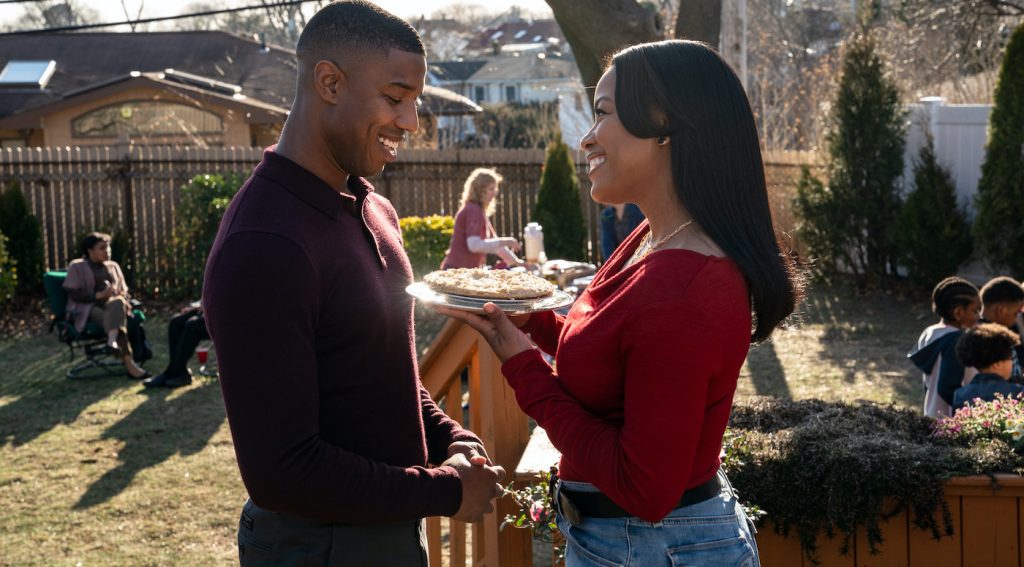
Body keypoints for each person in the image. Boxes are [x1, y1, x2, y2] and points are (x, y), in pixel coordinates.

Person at [438, 40, 801, 566]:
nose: (586, 138)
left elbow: (645, 488)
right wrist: (522, 314)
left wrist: (521, 366)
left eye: (603, 113)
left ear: (665, 128)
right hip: (628, 542)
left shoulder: (687, 285)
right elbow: (608, 361)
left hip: (656, 546)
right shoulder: (652, 241)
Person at [201, 2, 504, 565]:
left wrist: (448, 438)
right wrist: (445, 490)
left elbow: (380, 367)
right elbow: (283, 473)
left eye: (415, 102)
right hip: (319, 546)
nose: (411, 122)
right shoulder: (265, 245)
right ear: (330, 82)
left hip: (383, 529)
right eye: (394, 98)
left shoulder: (373, 208)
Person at [63, 232, 150, 379]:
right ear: (90, 251)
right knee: (117, 321)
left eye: (108, 248)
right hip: (88, 309)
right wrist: (99, 295)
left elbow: (124, 292)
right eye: (102, 248)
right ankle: (130, 365)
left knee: (117, 306)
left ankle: (112, 343)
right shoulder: (77, 266)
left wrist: (117, 295)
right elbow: (73, 293)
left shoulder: (113, 266)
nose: (107, 251)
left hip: (114, 306)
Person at [908, 276, 981, 418]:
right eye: (975, 311)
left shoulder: (930, 332)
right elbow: (947, 388)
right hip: (951, 422)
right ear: (958, 313)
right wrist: (971, 414)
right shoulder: (957, 341)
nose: (979, 316)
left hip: (931, 414)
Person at [440, 167, 521, 269]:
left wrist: (518, 263)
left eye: (495, 189)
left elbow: (496, 244)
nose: (495, 193)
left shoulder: (477, 210)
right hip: (456, 271)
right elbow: (474, 245)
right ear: (480, 190)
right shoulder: (473, 210)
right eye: (491, 189)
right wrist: (506, 241)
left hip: (462, 271)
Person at [952, 323, 1024, 411]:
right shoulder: (1017, 392)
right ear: (997, 364)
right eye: (1010, 358)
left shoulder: (960, 394)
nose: (1012, 363)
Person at [142, 303, 207, 389]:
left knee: (192, 325)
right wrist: (196, 306)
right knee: (175, 322)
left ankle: (174, 371)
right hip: (207, 311)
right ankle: (179, 372)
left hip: (223, 317)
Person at [978, 276, 1024, 381]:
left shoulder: (1002, 335)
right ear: (1000, 310)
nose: (1017, 318)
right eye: (1016, 313)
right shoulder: (982, 340)